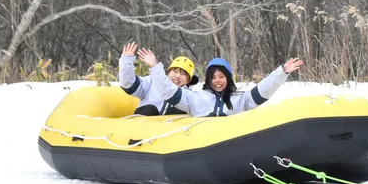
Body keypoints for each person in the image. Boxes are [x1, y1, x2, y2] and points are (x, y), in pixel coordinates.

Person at [172, 56, 304, 117]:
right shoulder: (195, 98)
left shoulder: (242, 99)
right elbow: (169, 91)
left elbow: (264, 89)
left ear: (228, 78)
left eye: (221, 76)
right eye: (213, 77)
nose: (217, 81)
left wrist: (282, 72)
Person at [118, 43, 199, 116]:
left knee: (178, 111)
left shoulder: (188, 97)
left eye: (183, 74)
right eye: (175, 71)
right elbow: (128, 85)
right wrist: (126, 61)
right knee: (149, 109)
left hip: (169, 126)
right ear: (168, 72)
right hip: (144, 124)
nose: (177, 76)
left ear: (188, 80)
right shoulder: (151, 82)